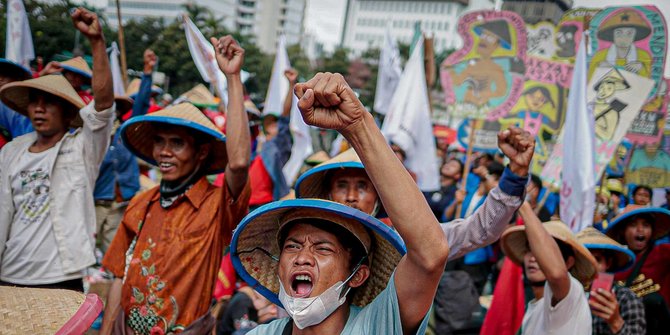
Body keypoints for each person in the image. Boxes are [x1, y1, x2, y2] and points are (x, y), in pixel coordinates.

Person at [231, 71, 454, 334]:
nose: (302, 258)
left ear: (357, 275)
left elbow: (431, 254)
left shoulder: (377, 326)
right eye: (292, 246)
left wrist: (358, 124)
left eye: (323, 249)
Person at [99, 35, 251, 334]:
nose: (165, 152)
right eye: (160, 142)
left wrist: (232, 77)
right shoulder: (142, 203)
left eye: (177, 143)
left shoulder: (216, 204)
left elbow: (239, 163)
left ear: (202, 152)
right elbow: (119, 275)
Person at [0, 8, 114, 290]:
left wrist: (97, 42)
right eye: (34, 101)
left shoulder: (82, 150)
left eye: (49, 102)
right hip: (10, 272)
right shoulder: (11, 153)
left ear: (67, 113)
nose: (40, 108)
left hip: (61, 276)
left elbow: (103, 107)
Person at [93, 50, 156, 256]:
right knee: (89, 243)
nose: (113, 113)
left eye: (116, 109)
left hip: (121, 200)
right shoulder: (93, 134)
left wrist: (147, 74)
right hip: (97, 198)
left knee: (113, 247)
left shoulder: (125, 132)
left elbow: (142, 104)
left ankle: (110, 280)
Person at [501, 203, 597, 334]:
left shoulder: (573, 294)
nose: (534, 258)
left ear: (568, 263)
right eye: (530, 249)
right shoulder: (533, 309)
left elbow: (557, 274)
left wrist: (523, 206)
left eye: (543, 253)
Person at [214, 69, 295, 209]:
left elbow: (284, 118)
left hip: (262, 208)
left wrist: (292, 85)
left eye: (250, 117)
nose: (246, 121)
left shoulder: (272, 149)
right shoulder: (240, 148)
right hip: (235, 207)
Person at [604, 205, 670, 334]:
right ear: (623, 231)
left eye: (646, 225)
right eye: (633, 225)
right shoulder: (611, 264)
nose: (640, 230)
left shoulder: (663, 253)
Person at [576, 227, 646, 335]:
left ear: (608, 263)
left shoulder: (626, 298)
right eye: (584, 261)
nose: (590, 267)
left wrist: (615, 322)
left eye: (596, 260)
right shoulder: (567, 296)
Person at [589, 9, 652, 79]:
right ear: (612, 35)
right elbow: (589, 82)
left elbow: (649, 82)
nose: (624, 38)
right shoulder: (600, 56)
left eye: (629, 33)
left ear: (635, 35)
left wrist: (641, 68)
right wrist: (599, 70)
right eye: (619, 33)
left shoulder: (643, 56)